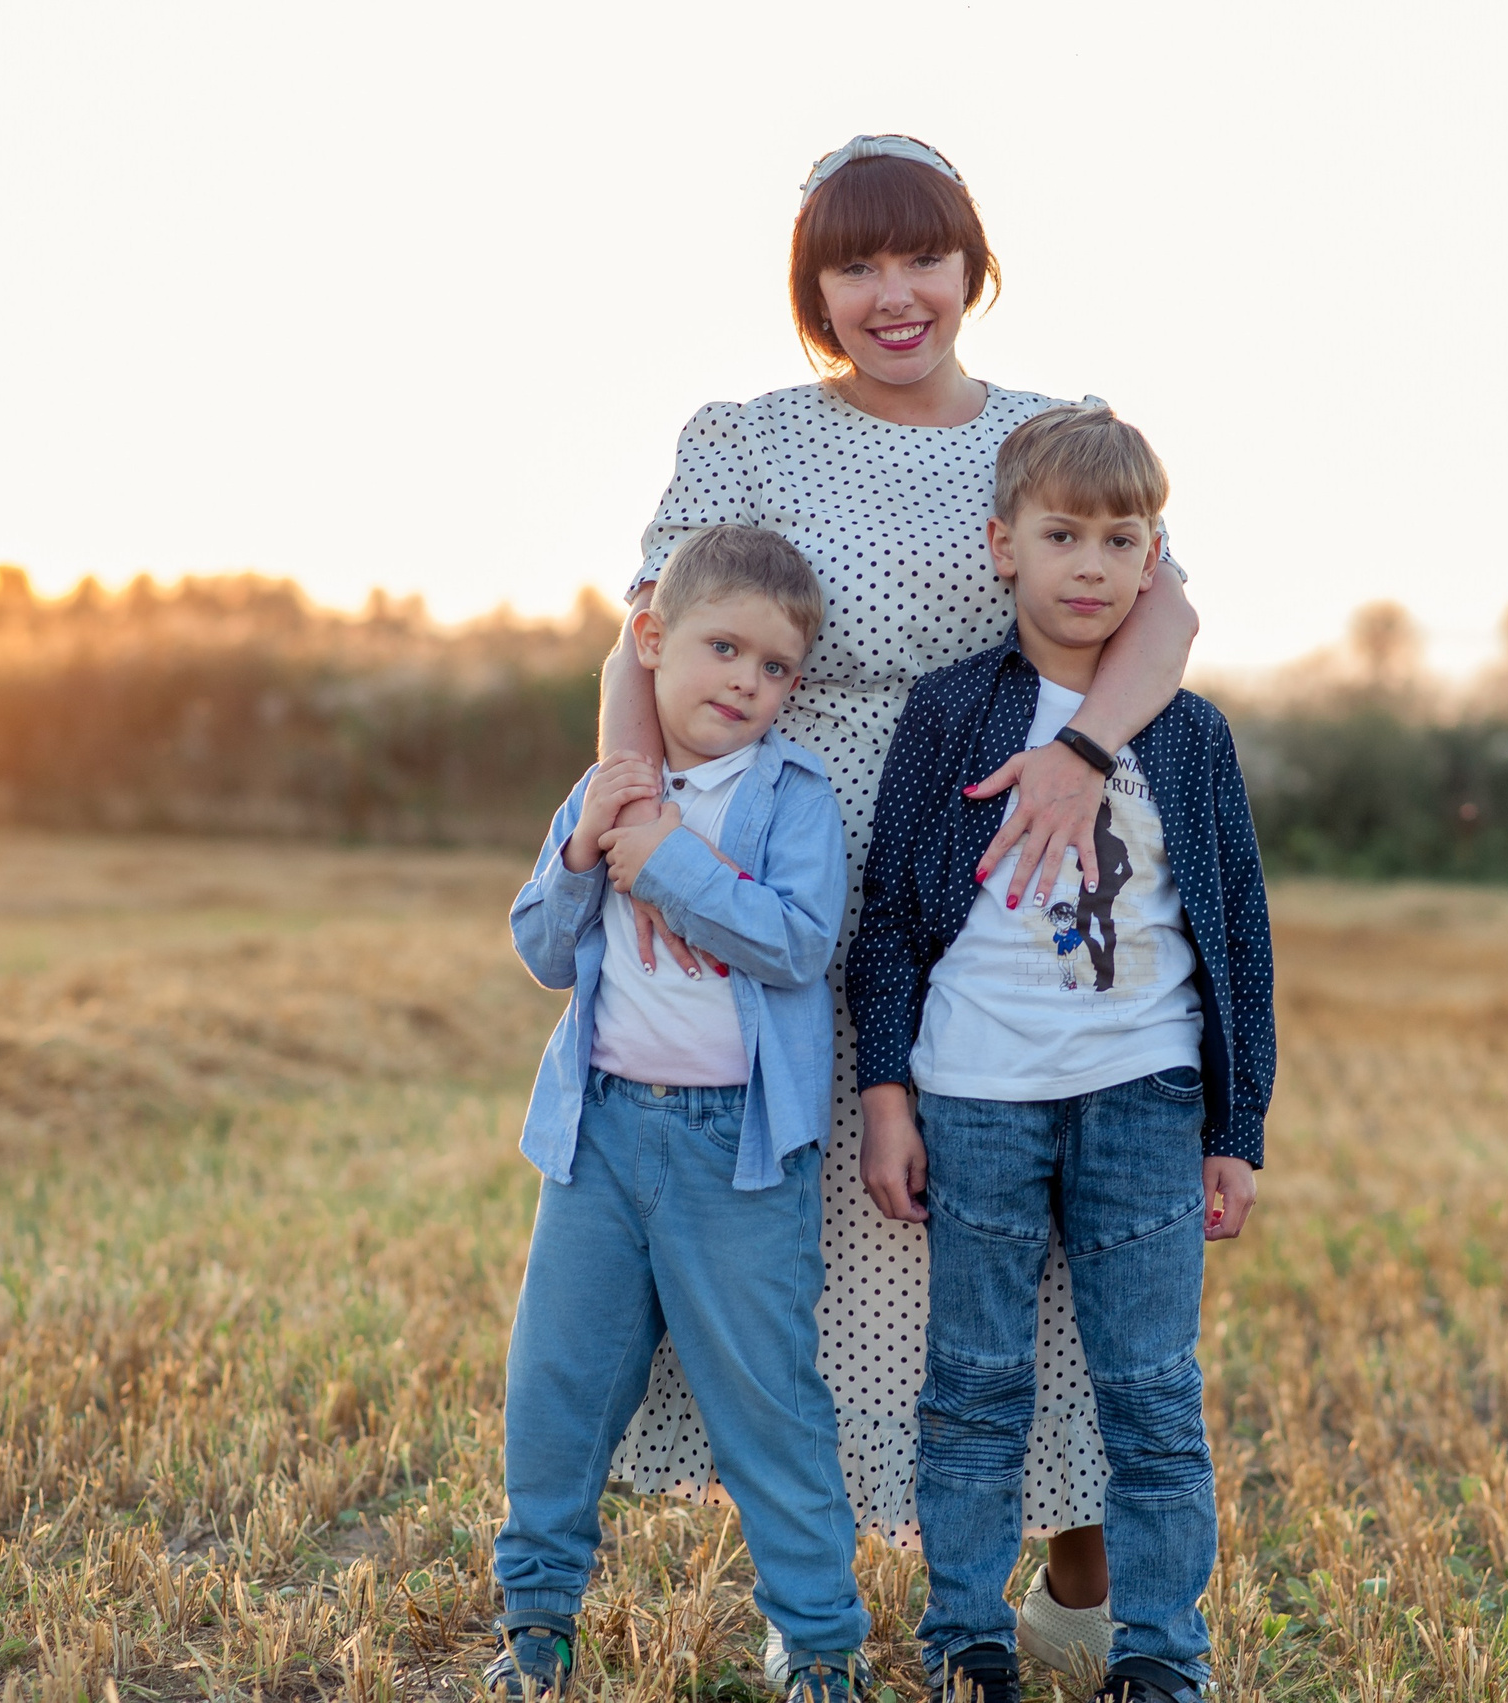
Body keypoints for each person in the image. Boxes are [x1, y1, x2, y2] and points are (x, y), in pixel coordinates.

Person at [595, 134, 1205, 1683]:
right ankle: (828, 1600)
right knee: (813, 1216)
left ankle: (1082, 1586)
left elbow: (1169, 613)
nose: (891, 292)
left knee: (1036, 1227)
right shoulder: (743, 440)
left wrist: (1078, 751)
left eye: (919, 256)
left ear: (970, 267)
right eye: (852, 265)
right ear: (813, 288)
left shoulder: (1052, 434)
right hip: (778, 864)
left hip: (1003, 854)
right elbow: (645, 638)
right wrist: (632, 803)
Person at [849, 405, 1272, 1703]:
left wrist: (1233, 1125)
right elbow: (893, 919)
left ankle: (1160, 1654)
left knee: (1150, 1388)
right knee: (975, 1379)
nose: (1091, 563)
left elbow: (1237, 934)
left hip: (1143, 1095)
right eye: (1061, 534)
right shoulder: (950, 712)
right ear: (1003, 546)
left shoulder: (1186, 734)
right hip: (977, 1093)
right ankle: (967, 1636)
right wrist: (887, 1093)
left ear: (1157, 559)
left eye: (1120, 537)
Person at [495, 527, 872, 1702]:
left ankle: (817, 1643)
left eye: (773, 669)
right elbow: (543, 950)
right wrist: (584, 842)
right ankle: (535, 1626)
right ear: (650, 643)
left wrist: (663, 861)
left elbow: (799, 942)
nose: (745, 684)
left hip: (736, 1153)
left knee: (768, 1402)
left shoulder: (793, 796)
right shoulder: (605, 786)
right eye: (722, 648)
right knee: (556, 1385)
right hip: (600, 1135)